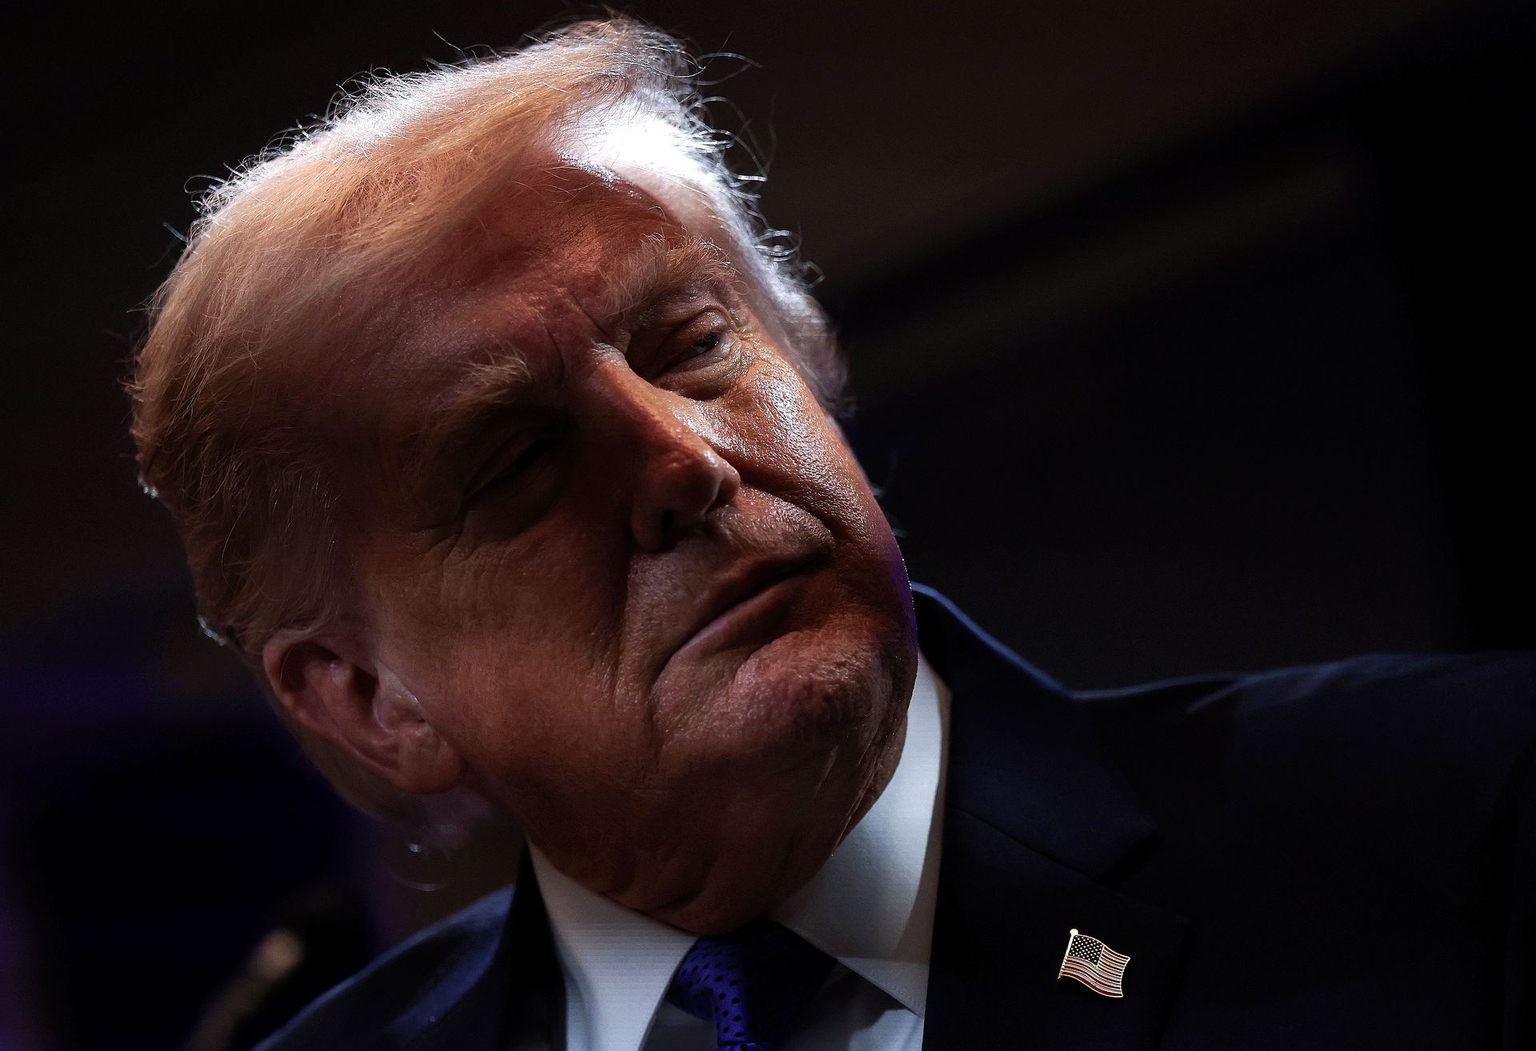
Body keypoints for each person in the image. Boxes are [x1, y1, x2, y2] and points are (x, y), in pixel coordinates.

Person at [130, 16, 1534, 1051]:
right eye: (516, 458)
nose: (684, 458)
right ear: (370, 701)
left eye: (688, 346)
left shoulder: (1467, 806)